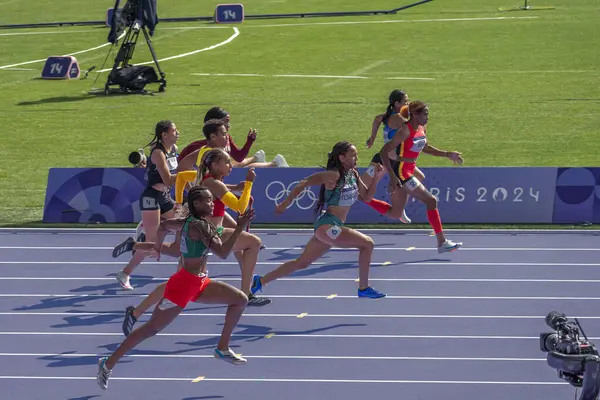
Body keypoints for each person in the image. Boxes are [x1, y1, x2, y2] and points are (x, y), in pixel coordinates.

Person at [97, 186, 254, 391]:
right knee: (150, 329)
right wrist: (241, 227)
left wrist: (157, 247)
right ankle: (108, 363)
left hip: (200, 281)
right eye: (208, 200)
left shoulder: (186, 222)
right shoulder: (201, 226)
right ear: (196, 204)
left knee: (240, 299)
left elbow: (164, 226)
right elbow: (224, 252)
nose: (212, 203)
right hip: (183, 285)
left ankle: (222, 348)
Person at [250, 141, 386, 299]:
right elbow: (304, 182)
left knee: (302, 263)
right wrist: (285, 203)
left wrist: (376, 179)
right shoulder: (333, 175)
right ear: (342, 157)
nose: (356, 158)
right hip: (328, 226)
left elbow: (367, 197)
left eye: (356, 155)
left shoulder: (353, 174)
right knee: (367, 244)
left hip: (333, 227)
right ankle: (363, 288)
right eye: (353, 155)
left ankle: (260, 281)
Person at [379, 100, 463, 253]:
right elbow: (384, 152)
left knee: (397, 211)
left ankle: (363, 197)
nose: (428, 117)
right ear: (415, 114)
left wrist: (447, 154)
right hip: (402, 171)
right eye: (425, 114)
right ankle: (441, 242)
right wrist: (392, 177)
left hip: (410, 169)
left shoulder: (422, 127)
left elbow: (425, 147)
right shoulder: (405, 130)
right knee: (431, 200)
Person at [112, 120, 181, 290]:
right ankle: (131, 246)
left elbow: (174, 176)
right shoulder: (158, 153)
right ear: (164, 134)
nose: (178, 132)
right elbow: (167, 178)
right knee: (152, 245)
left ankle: (185, 273)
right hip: (151, 198)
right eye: (174, 130)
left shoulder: (174, 149)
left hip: (165, 197)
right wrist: (187, 175)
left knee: (185, 225)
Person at [362, 89, 426, 224]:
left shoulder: (388, 115)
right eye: (406, 101)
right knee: (360, 189)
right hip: (384, 160)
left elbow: (377, 119)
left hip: (394, 161)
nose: (408, 104)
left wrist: (372, 138)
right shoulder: (398, 118)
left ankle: (400, 206)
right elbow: (413, 127)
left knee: (418, 177)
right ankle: (334, 205)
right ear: (397, 103)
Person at [177, 107, 288, 171]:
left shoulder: (225, 139)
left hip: (216, 177)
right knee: (235, 168)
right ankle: (271, 163)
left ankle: (268, 161)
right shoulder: (200, 148)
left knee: (234, 168)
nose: (229, 125)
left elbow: (239, 157)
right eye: (226, 121)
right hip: (201, 184)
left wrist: (249, 141)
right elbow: (182, 168)